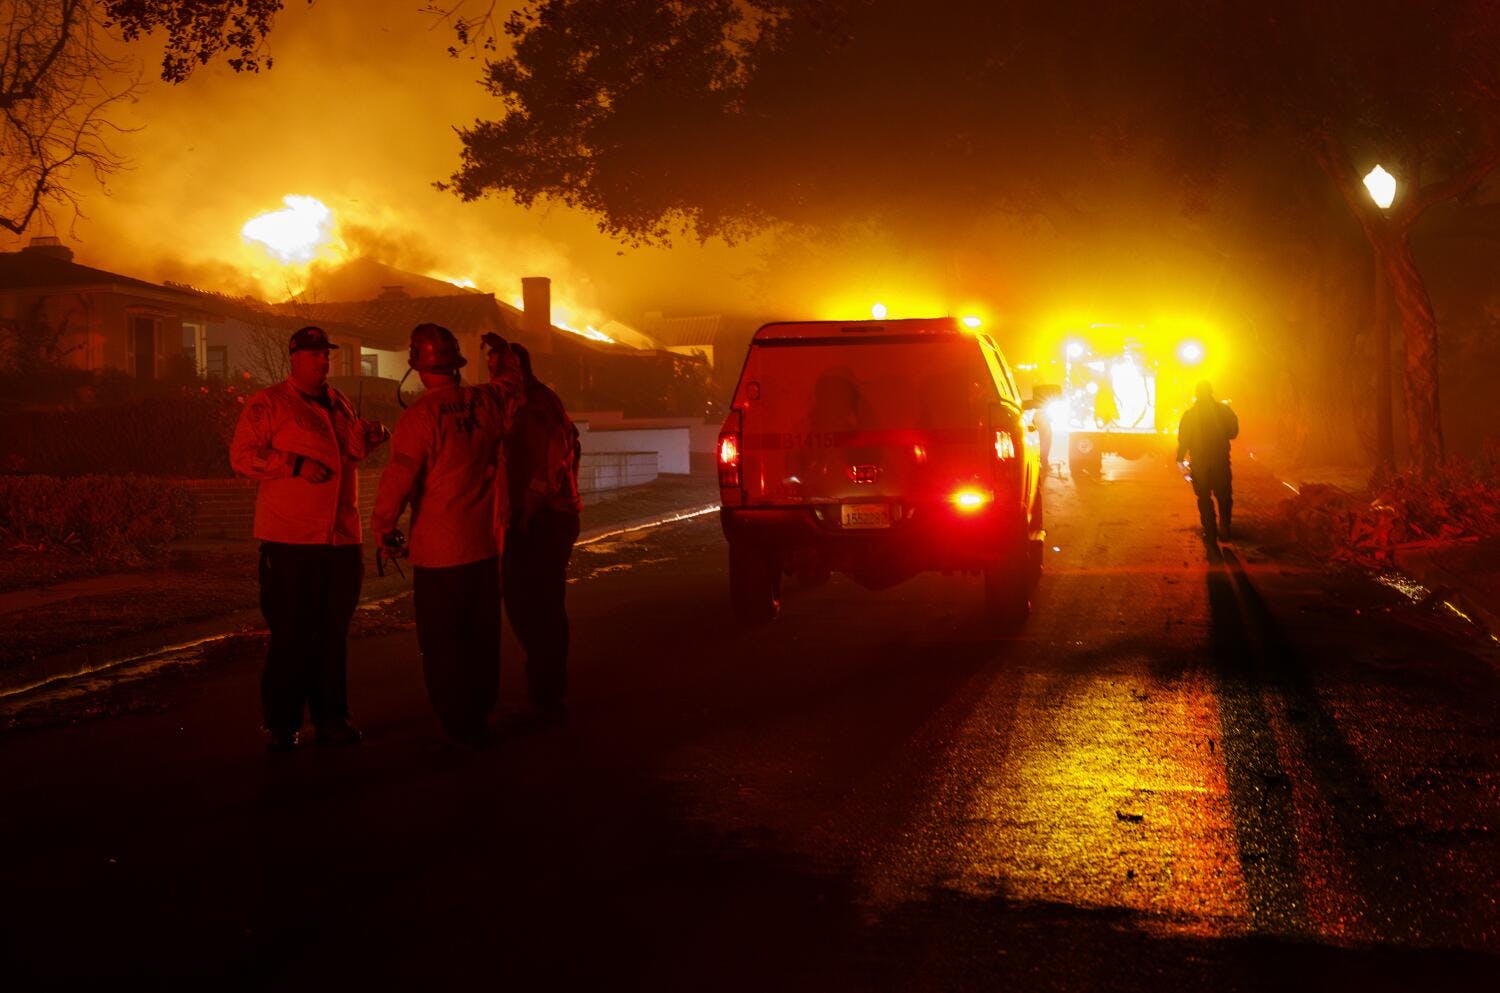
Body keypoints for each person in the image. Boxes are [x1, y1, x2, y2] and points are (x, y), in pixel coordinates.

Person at [229, 326, 390, 752]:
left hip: (339, 539)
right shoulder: (269, 404)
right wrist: (294, 464)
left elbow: (348, 456)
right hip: (290, 541)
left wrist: (368, 440)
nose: (324, 360)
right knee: (293, 634)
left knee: (333, 633)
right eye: (315, 354)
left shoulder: (338, 403)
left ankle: (332, 717)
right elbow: (242, 456)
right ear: (294, 357)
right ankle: (282, 724)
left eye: (327, 354)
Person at [371, 324, 518, 745]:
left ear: (415, 365)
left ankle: (457, 722)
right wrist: (502, 356)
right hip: (484, 545)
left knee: (443, 642)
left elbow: (398, 478)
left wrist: (383, 527)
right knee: (482, 635)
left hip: (439, 554)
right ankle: (482, 710)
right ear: (456, 363)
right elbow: (510, 383)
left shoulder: (419, 418)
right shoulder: (487, 401)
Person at [490, 340, 582, 718]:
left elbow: (549, 459)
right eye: (493, 367)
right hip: (540, 517)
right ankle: (545, 687)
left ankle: (546, 693)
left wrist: (528, 506)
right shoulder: (527, 402)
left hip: (543, 519)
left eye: (502, 367)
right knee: (533, 604)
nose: (495, 376)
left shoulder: (536, 406)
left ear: (520, 369)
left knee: (535, 605)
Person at [1176, 380, 1240, 546]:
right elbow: (1234, 433)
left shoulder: (1189, 414)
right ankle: (1224, 527)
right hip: (1220, 461)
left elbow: (1183, 440)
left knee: (1203, 497)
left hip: (1199, 463)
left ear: (1196, 394)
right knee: (1224, 496)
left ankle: (1209, 531)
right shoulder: (1224, 411)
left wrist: (1179, 459)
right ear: (1211, 392)